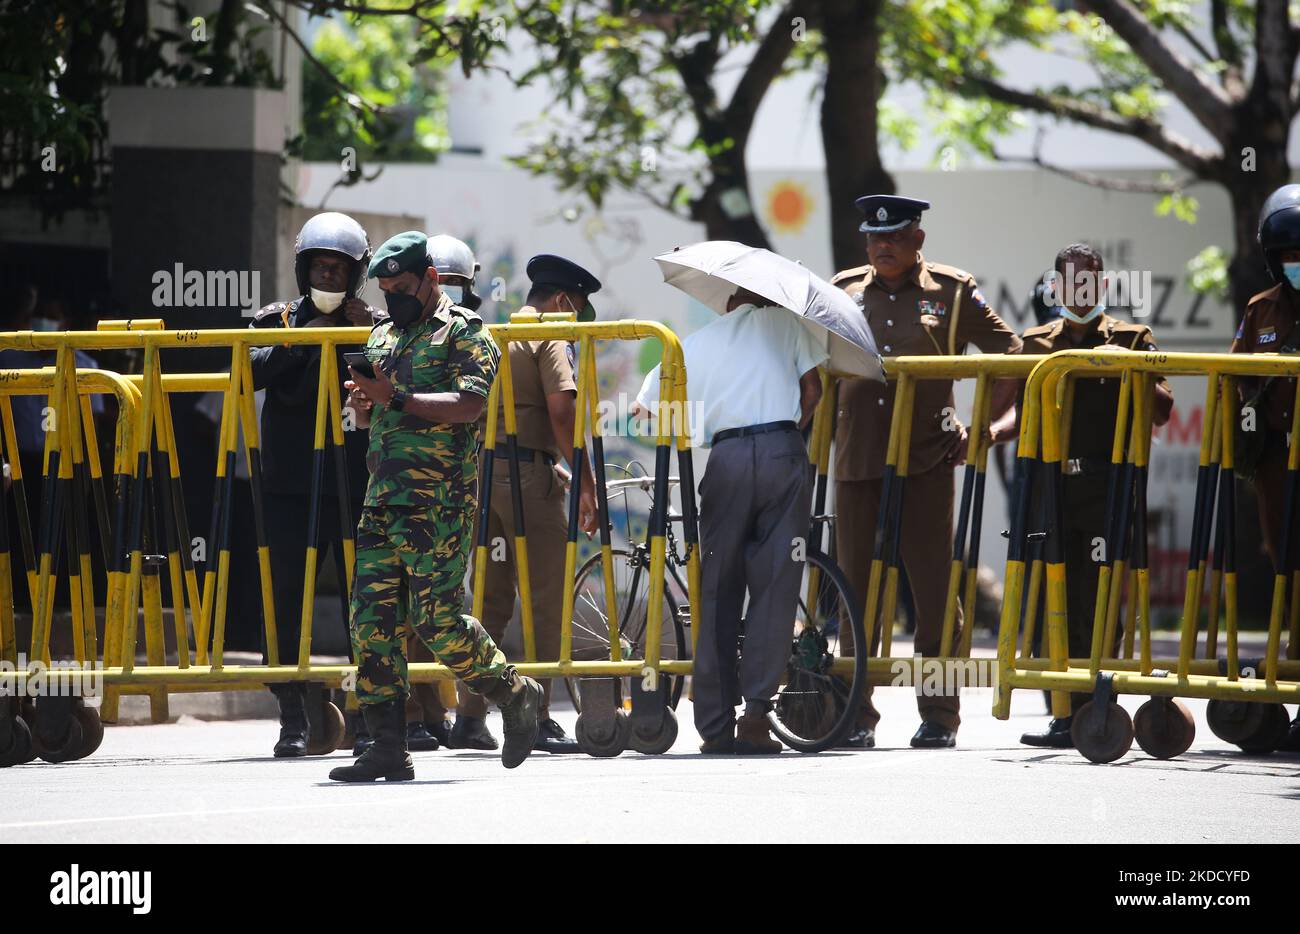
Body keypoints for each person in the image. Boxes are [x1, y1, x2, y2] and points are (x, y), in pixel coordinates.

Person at [329, 231, 542, 782]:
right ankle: (385, 747)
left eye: (401, 287)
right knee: (370, 625)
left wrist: (393, 397)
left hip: (439, 503)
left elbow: (469, 405)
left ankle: (515, 693)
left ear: (430, 278)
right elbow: (375, 417)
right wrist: (364, 406)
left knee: (438, 622)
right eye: (385, 289)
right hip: (382, 499)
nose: (392, 297)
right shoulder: (382, 335)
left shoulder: (465, 333)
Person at [832, 194, 1022, 750]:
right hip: (859, 456)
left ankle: (939, 715)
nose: (881, 246)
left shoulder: (953, 291)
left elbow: (1008, 356)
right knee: (853, 587)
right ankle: (855, 714)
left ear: (918, 238)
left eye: (892, 237)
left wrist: (982, 429)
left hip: (927, 458)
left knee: (935, 590)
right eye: (872, 237)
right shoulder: (844, 291)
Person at [989, 243, 1174, 748]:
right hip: (1052, 489)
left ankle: (1098, 705)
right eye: (1069, 284)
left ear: (1105, 286)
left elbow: (1162, 410)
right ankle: (1064, 713)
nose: (1079, 293)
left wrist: (1128, 367)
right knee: (1054, 598)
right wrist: (986, 434)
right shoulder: (1034, 343)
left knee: (1100, 599)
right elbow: (1014, 412)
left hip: (1108, 487)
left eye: (1089, 284)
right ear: (1056, 288)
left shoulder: (1133, 338)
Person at [636, 286, 828, 755]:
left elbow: (646, 409)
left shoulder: (695, 342)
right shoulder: (788, 324)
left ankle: (715, 725)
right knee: (776, 586)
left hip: (728, 457)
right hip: (784, 449)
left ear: (727, 301)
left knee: (718, 588)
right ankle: (757, 717)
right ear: (764, 298)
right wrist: (786, 436)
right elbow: (813, 391)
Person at [446, 253, 599, 754]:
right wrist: (585, 481)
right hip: (530, 486)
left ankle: (469, 716)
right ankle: (535, 717)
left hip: (485, 478)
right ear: (560, 301)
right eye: (576, 309)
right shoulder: (551, 334)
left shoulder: (495, 334)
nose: (576, 321)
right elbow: (561, 411)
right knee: (545, 602)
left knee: (488, 599)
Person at [249, 212, 378, 758]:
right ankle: (291, 716)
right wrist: (308, 337)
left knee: (365, 604)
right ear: (303, 271)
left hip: (352, 486)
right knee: (284, 604)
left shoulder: (374, 324)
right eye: (320, 269)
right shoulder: (274, 319)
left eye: (339, 271)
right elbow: (251, 370)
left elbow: (400, 376)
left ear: (356, 276)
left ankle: (370, 717)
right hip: (289, 486)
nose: (329, 279)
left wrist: (367, 332)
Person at [1230, 184, 1300, 751]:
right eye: (1289, 257)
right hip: (1278, 459)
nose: (1298, 266)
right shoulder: (1261, 309)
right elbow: (1234, 376)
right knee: (1286, 560)